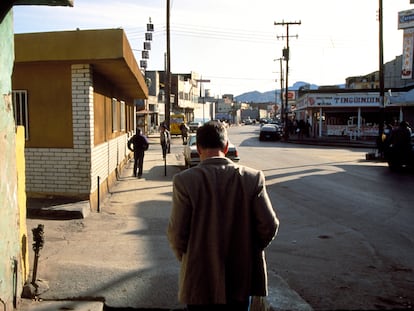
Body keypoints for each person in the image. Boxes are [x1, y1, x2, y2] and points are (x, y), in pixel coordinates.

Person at [167, 121, 279, 311]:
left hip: (200, 279)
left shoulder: (185, 181)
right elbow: (269, 225)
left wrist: (190, 256)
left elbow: (177, 233)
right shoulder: (252, 178)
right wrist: (248, 251)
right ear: (226, 147)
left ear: (199, 148)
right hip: (241, 279)